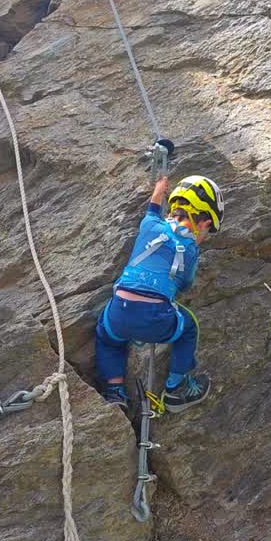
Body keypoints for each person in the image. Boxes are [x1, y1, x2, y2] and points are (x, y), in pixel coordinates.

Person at [94, 173, 223, 412]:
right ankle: (177, 388)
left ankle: (114, 390)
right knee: (189, 327)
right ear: (204, 222)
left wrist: (159, 189)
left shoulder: (150, 224)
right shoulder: (190, 248)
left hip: (118, 311)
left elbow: (153, 206)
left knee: (106, 337)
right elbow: (184, 284)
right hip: (155, 317)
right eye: (208, 228)